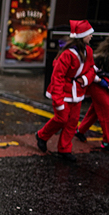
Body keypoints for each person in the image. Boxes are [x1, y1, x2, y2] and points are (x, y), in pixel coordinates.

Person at [36, 20, 97, 162]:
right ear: (82, 35)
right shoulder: (67, 54)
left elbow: (92, 69)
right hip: (63, 91)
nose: (91, 37)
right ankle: (42, 135)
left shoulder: (88, 51)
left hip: (77, 92)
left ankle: (64, 149)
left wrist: (85, 79)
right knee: (61, 118)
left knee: (73, 122)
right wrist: (57, 100)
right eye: (90, 34)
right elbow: (57, 77)